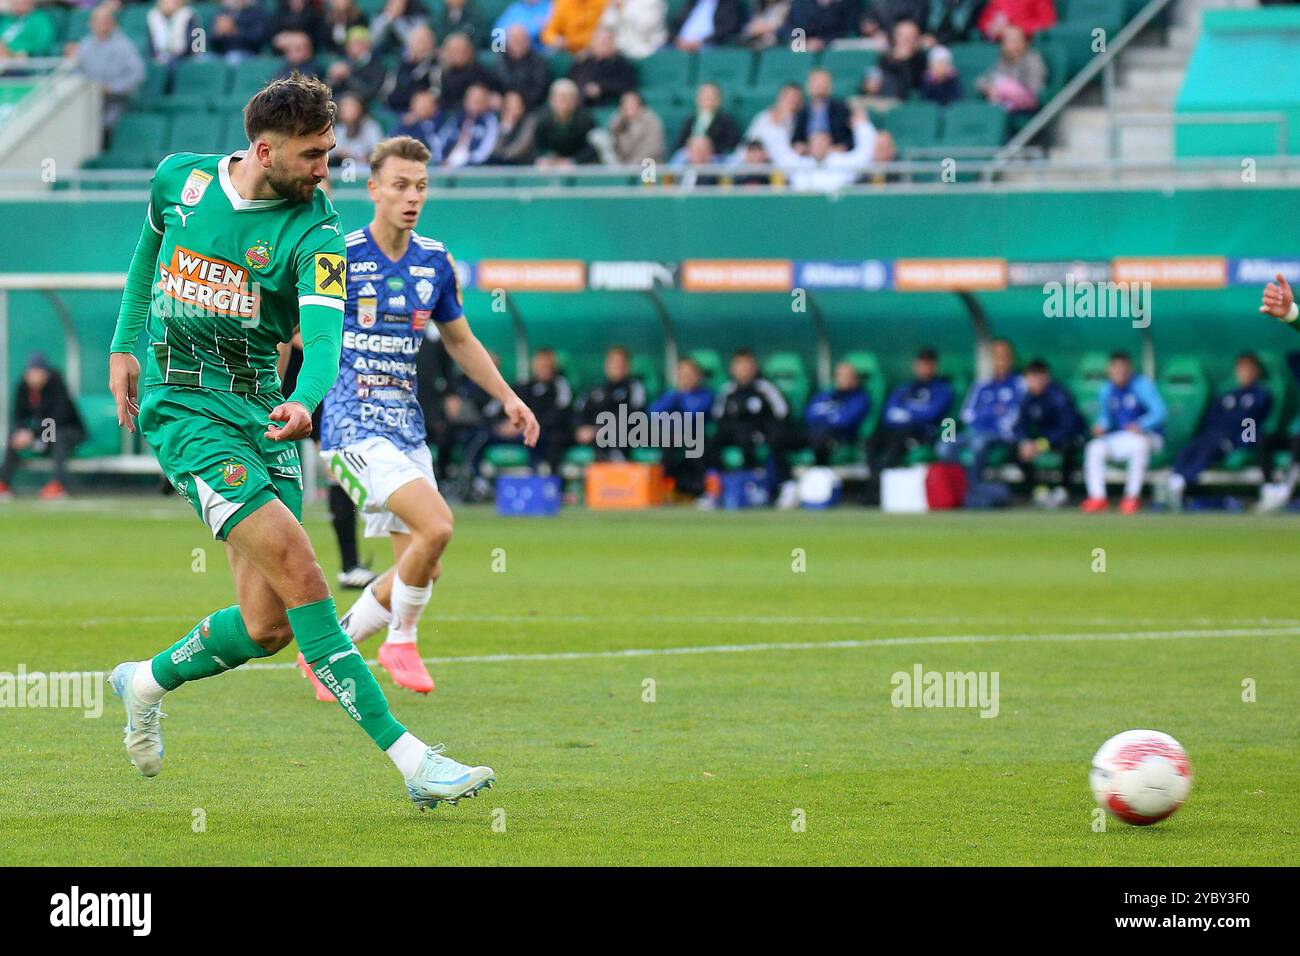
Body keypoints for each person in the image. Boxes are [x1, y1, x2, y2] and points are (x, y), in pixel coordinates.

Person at [105, 74, 500, 810]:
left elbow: (322, 339)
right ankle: (414, 763)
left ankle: (145, 681)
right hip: (186, 409)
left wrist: (303, 399)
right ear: (265, 150)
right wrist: (125, 343)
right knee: (307, 575)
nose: (327, 170)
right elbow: (145, 256)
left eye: (331, 152)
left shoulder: (317, 232)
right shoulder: (179, 182)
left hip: (265, 411)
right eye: (315, 154)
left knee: (265, 626)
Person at [304, 133, 540, 702]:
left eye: (421, 187)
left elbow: (459, 341)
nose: (412, 197)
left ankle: (328, 653)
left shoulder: (434, 262)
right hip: (350, 425)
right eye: (401, 186)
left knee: (423, 566)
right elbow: (307, 328)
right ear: (375, 189)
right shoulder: (340, 255)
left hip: (406, 429)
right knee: (438, 527)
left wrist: (508, 395)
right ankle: (401, 641)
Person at [1165, 354, 1270, 510]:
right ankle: (1176, 481)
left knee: (1206, 452)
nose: (1244, 373)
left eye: (1248, 370)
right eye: (1241, 369)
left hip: (1233, 440)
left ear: (1256, 372)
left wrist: (1243, 441)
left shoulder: (1260, 396)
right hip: (1212, 435)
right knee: (1188, 450)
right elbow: (1212, 417)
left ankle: (1181, 484)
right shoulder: (1228, 395)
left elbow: (1252, 421)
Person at [1081, 351, 1166, 514]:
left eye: (1123, 369)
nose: (1119, 373)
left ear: (1130, 369)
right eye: (1115, 369)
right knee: (1095, 447)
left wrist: (1140, 425)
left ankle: (1131, 497)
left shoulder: (1142, 385)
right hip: (1122, 437)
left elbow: (1160, 412)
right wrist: (1101, 426)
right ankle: (1097, 497)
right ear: (1110, 370)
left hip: (1150, 436)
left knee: (1139, 444)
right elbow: (1105, 417)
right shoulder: (1106, 389)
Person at [865, 346, 953, 504]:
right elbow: (888, 413)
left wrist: (906, 414)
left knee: (895, 445)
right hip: (894, 429)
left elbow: (932, 414)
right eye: (921, 364)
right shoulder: (904, 389)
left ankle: (879, 492)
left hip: (920, 433)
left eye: (928, 364)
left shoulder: (942, 389)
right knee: (871, 441)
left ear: (935, 366)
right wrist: (912, 414)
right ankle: (873, 487)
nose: (924, 368)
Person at [937, 338, 1023, 483]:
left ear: (1011, 358)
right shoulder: (982, 384)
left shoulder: (1019, 383)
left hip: (1001, 435)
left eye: (1004, 356)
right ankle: (959, 484)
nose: (1000, 360)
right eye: (996, 356)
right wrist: (992, 413)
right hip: (974, 431)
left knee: (978, 444)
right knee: (944, 444)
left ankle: (973, 486)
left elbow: (1013, 415)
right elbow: (967, 413)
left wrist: (986, 415)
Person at [0, 354, 84, 502]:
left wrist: (31, 433)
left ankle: (58, 485)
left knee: (59, 436)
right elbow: (18, 416)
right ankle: (3, 483)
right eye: (32, 372)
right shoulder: (23, 387)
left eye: (39, 372)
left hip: (70, 431)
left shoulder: (56, 383)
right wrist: (22, 432)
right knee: (14, 436)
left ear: (46, 373)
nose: (35, 376)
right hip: (43, 434)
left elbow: (60, 417)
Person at [67, 3, 146, 135]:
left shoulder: (124, 45)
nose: (101, 24)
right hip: (88, 99)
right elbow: (76, 71)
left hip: (116, 100)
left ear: (112, 23)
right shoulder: (85, 45)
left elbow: (137, 74)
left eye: (105, 21)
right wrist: (87, 86)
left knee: (105, 125)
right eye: (97, 21)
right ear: (91, 23)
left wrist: (112, 88)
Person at [1013, 358, 1082, 507]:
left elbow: (1067, 427)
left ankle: (1062, 491)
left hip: (1066, 438)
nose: (1034, 381)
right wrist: (1024, 442)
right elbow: (1019, 426)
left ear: (1046, 377)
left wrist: (1042, 444)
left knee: (1069, 447)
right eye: (1030, 377)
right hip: (1042, 440)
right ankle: (1039, 491)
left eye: (1038, 377)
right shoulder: (1027, 398)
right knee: (1016, 450)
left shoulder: (1059, 395)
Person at [649, 357, 713, 497]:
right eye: (682, 374)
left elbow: (695, 416)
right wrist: (675, 396)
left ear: (698, 376)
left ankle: (698, 491)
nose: (686, 378)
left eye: (690, 374)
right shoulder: (671, 395)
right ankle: (664, 488)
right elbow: (654, 412)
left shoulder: (705, 395)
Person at [573, 346, 647, 458]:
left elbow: (635, 414)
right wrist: (580, 428)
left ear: (627, 366)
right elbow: (579, 411)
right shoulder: (596, 388)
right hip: (595, 435)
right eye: (613, 362)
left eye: (621, 363)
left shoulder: (635, 387)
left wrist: (600, 429)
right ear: (606, 365)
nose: (617, 366)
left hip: (623, 434)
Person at [803, 361, 869, 465]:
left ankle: (819, 469)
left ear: (854, 379)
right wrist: (831, 417)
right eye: (838, 375)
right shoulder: (826, 394)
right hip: (816, 432)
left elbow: (844, 421)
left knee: (821, 437)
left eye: (846, 376)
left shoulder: (860, 398)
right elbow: (809, 416)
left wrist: (823, 417)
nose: (841, 379)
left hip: (843, 438)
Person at [533, 78, 598, 166]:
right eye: (560, 98)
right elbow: (537, 146)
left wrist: (573, 161)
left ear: (576, 101)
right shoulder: (541, 119)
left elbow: (591, 149)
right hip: (550, 164)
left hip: (579, 166)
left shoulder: (586, 120)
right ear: (551, 100)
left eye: (568, 98)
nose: (564, 102)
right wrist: (545, 158)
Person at [568, 26, 638, 106]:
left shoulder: (623, 64)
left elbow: (628, 85)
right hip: (579, 105)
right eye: (599, 40)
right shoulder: (582, 62)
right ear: (592, 43)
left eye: (607, 40)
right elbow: (570, 81)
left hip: (607, 104)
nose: (603, 44)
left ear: (614, 43)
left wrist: (601, 88)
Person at [670, 82, 741, 156]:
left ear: (719, 100)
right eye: (705, 96)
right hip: (689, 156)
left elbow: (731, 144)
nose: (708, 99)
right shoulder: (690, 119)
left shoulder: (726, 120)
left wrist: (707, 148)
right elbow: (680, 142)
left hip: (714, 158)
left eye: (711, 97)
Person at [609, 89, 664, 164]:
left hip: (648, 165)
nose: (628, 106)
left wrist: (633, 163)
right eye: (625, 104)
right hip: (621, 165)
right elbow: (612, 145)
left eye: (632, 104)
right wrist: (618, 124)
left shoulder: (652, 121)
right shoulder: (618, 120)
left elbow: (653, 148)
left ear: (640, 106)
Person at [542, 0, 611, 54]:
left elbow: (607, 28)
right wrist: (558, 41)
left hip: (593, 50)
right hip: (568, 50)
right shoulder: (562, 3)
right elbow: (547, 33)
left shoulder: (602, 2)